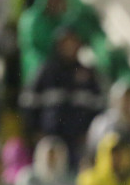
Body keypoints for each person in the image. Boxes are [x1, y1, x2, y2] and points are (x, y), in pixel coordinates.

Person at [18, 26, 104, 164]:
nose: (69, 46)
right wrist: (35, 131)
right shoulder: (46, 71)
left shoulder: (88, 74)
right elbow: (28, 102)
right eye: (65, 42)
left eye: (73, 42)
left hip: (77, 141)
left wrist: (88, 133)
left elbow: (98, 106)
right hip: (50, 138)